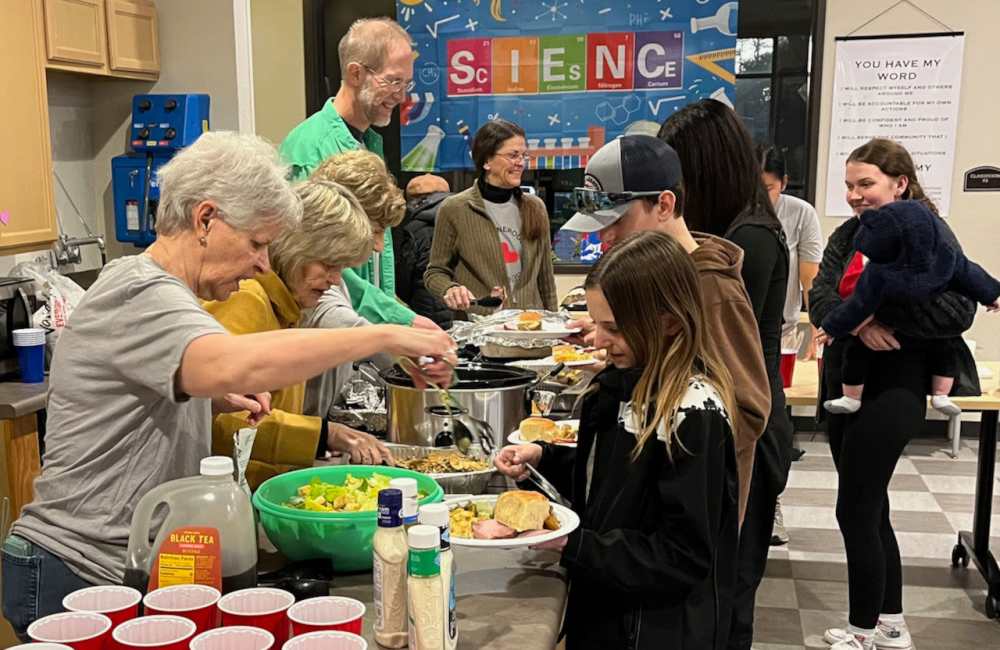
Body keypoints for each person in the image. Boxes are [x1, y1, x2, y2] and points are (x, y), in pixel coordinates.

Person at [0, 132, 456, 641]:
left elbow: (158, 389)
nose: (264, 263)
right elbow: (229, 363)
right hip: (77, 569)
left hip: (117, 567)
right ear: (205, 219)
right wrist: (385, 335)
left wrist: (209, 399)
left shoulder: (170, 295)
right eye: (257, 243)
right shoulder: (138, 289)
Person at [495, 230, 739, 649]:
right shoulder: (618, 387)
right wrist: (544, 457)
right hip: (604, 606)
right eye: (597, 324)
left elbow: (682, 555)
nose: (599, 341)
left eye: (613, 327)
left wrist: (573, 544)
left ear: (667, 321)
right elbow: (609, 483)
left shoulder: (693, 412)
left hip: (653, 629)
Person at [809, 138, 980, 650]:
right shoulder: (850, 232)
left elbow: (958, 311)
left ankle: (862, 631)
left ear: (899, 183)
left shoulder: (929, 232)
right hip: (846, 378)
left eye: (866, 184)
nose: (855, 195)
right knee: (871, 504)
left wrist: (875, 315)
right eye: (849, 185)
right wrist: (859, 326)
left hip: (898, 384)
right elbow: (819, 295)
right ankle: (890, 623)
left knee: (854, 507)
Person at [559, 134, 770, 524]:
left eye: (617, 221)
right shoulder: (654, 278)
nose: (605, 236)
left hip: (685, 517)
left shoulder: (711, 289)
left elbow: (750, 408)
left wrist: (669, 447)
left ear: (665, 204)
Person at [657, 99, 792, 650]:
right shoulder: (731, 229)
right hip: (733, 418)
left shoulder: (749, 240)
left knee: (730, 593)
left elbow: (721, 348)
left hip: (750, 430)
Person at [204, 179, 396, 490]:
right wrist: (325, 434)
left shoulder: (287, 308)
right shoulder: (247, 299)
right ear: (297, 247)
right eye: (328, 265)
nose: (334, 281)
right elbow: (224, 422)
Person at [280, 17, 436, 330]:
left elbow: (374, 261)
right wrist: (402, 322)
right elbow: (321, 267)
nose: (401, 96)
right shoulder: (312, 148)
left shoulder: (367, 142)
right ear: (356, 73)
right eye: (393, 82)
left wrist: (394, 314)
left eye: (406, 84)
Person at [818, 199, 1000, 416]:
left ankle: (940, 394)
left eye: (866, 184)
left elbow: (971, 277)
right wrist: (834, 326)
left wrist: (992, 294)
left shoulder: (942, 255)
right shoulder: (880, 270)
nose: (854, 195)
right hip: (890, 324)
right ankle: (852, 397)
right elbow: (856, 306)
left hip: (913, 345)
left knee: (946, 345)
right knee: (857, 351)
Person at [302, 151, 410, 425]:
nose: (378, 246)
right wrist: (399, 345)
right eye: (375, 231)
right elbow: (332, 318)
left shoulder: (335, 274)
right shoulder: (308, 272)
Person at [425, 119, 558, 317]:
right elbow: (434, 273)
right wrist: (449, 289)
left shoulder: (535, 207)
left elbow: (546, 279)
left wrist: (553, 326)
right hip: (478, 331)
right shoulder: (455, 209)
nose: (520, 163)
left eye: (524, 155)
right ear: (487, 161)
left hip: (530, 330)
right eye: (513, 155)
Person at [758, 144, 823, 546]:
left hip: (779, 330)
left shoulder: (800, 214)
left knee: (775, 421)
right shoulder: (738, 213)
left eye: (767, 188)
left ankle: (772, 504)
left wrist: (816, 329)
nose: (760, 195)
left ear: (783, 183)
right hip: (740, 330)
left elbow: (810, 278)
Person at [394, 174, 454, 329]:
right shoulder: (465, 219)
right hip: (467, 305)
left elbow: (404, 278)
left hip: (428, 312)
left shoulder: (414, 230)